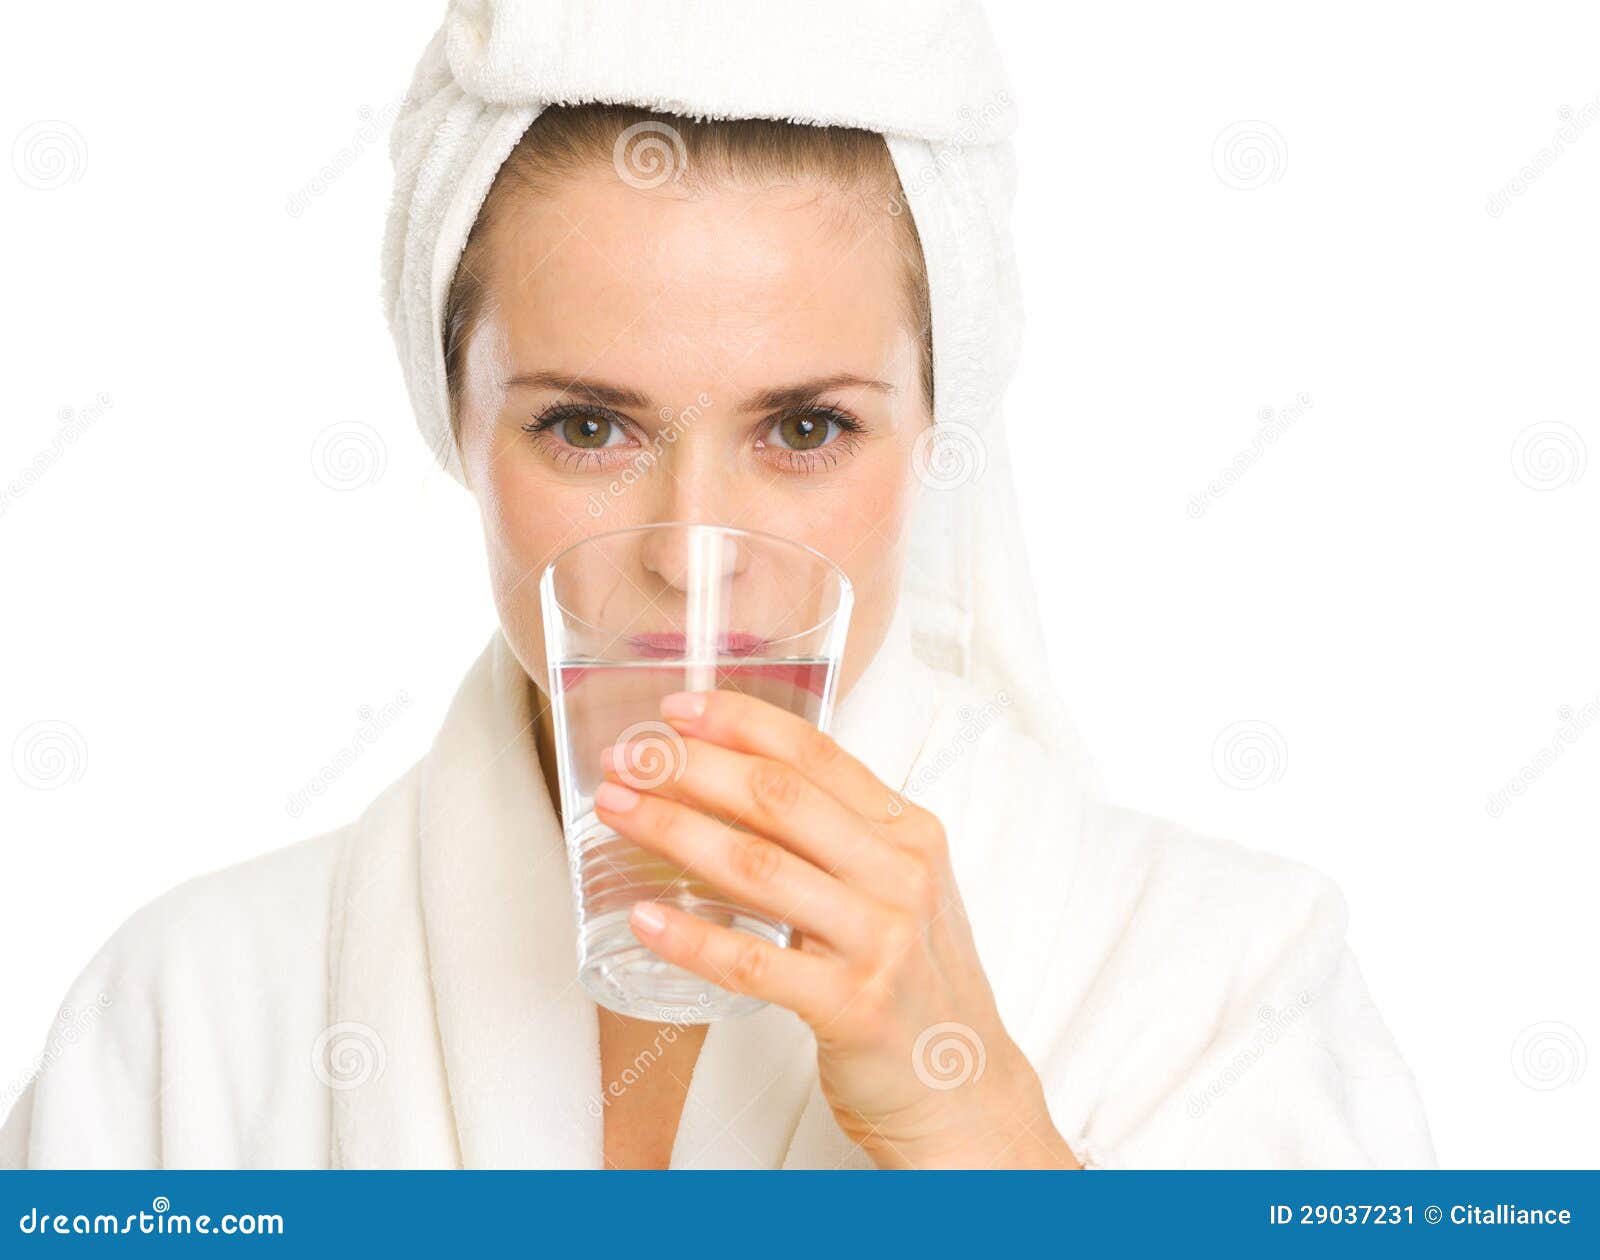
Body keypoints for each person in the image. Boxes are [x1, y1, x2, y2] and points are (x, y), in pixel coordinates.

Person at [0, 0, 1435, 1170]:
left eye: (805, 429)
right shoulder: (182, 1019)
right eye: (588, 427)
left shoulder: (1221, 981)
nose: (694, 553)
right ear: (454, 421)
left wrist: (968, 1117)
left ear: (940, 431)